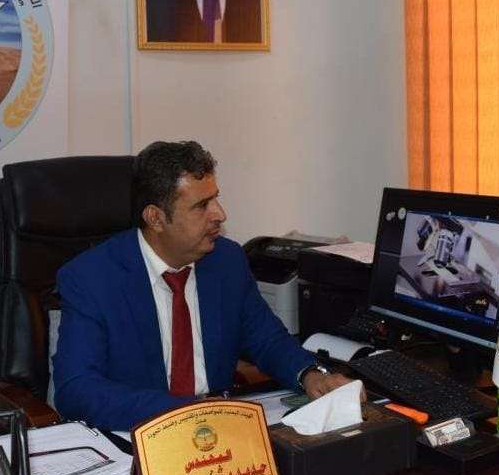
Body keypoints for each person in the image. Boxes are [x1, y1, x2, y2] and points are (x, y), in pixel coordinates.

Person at [52, 140, 352, 430]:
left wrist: (310, 374)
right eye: (201, 205)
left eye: (216, 198)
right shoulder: (91, 278)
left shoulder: (226, 260)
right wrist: (186, 412)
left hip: (218, 433)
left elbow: (266, 339)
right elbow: (77, 389)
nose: (220, 214)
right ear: (156, 218)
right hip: (137, 434)